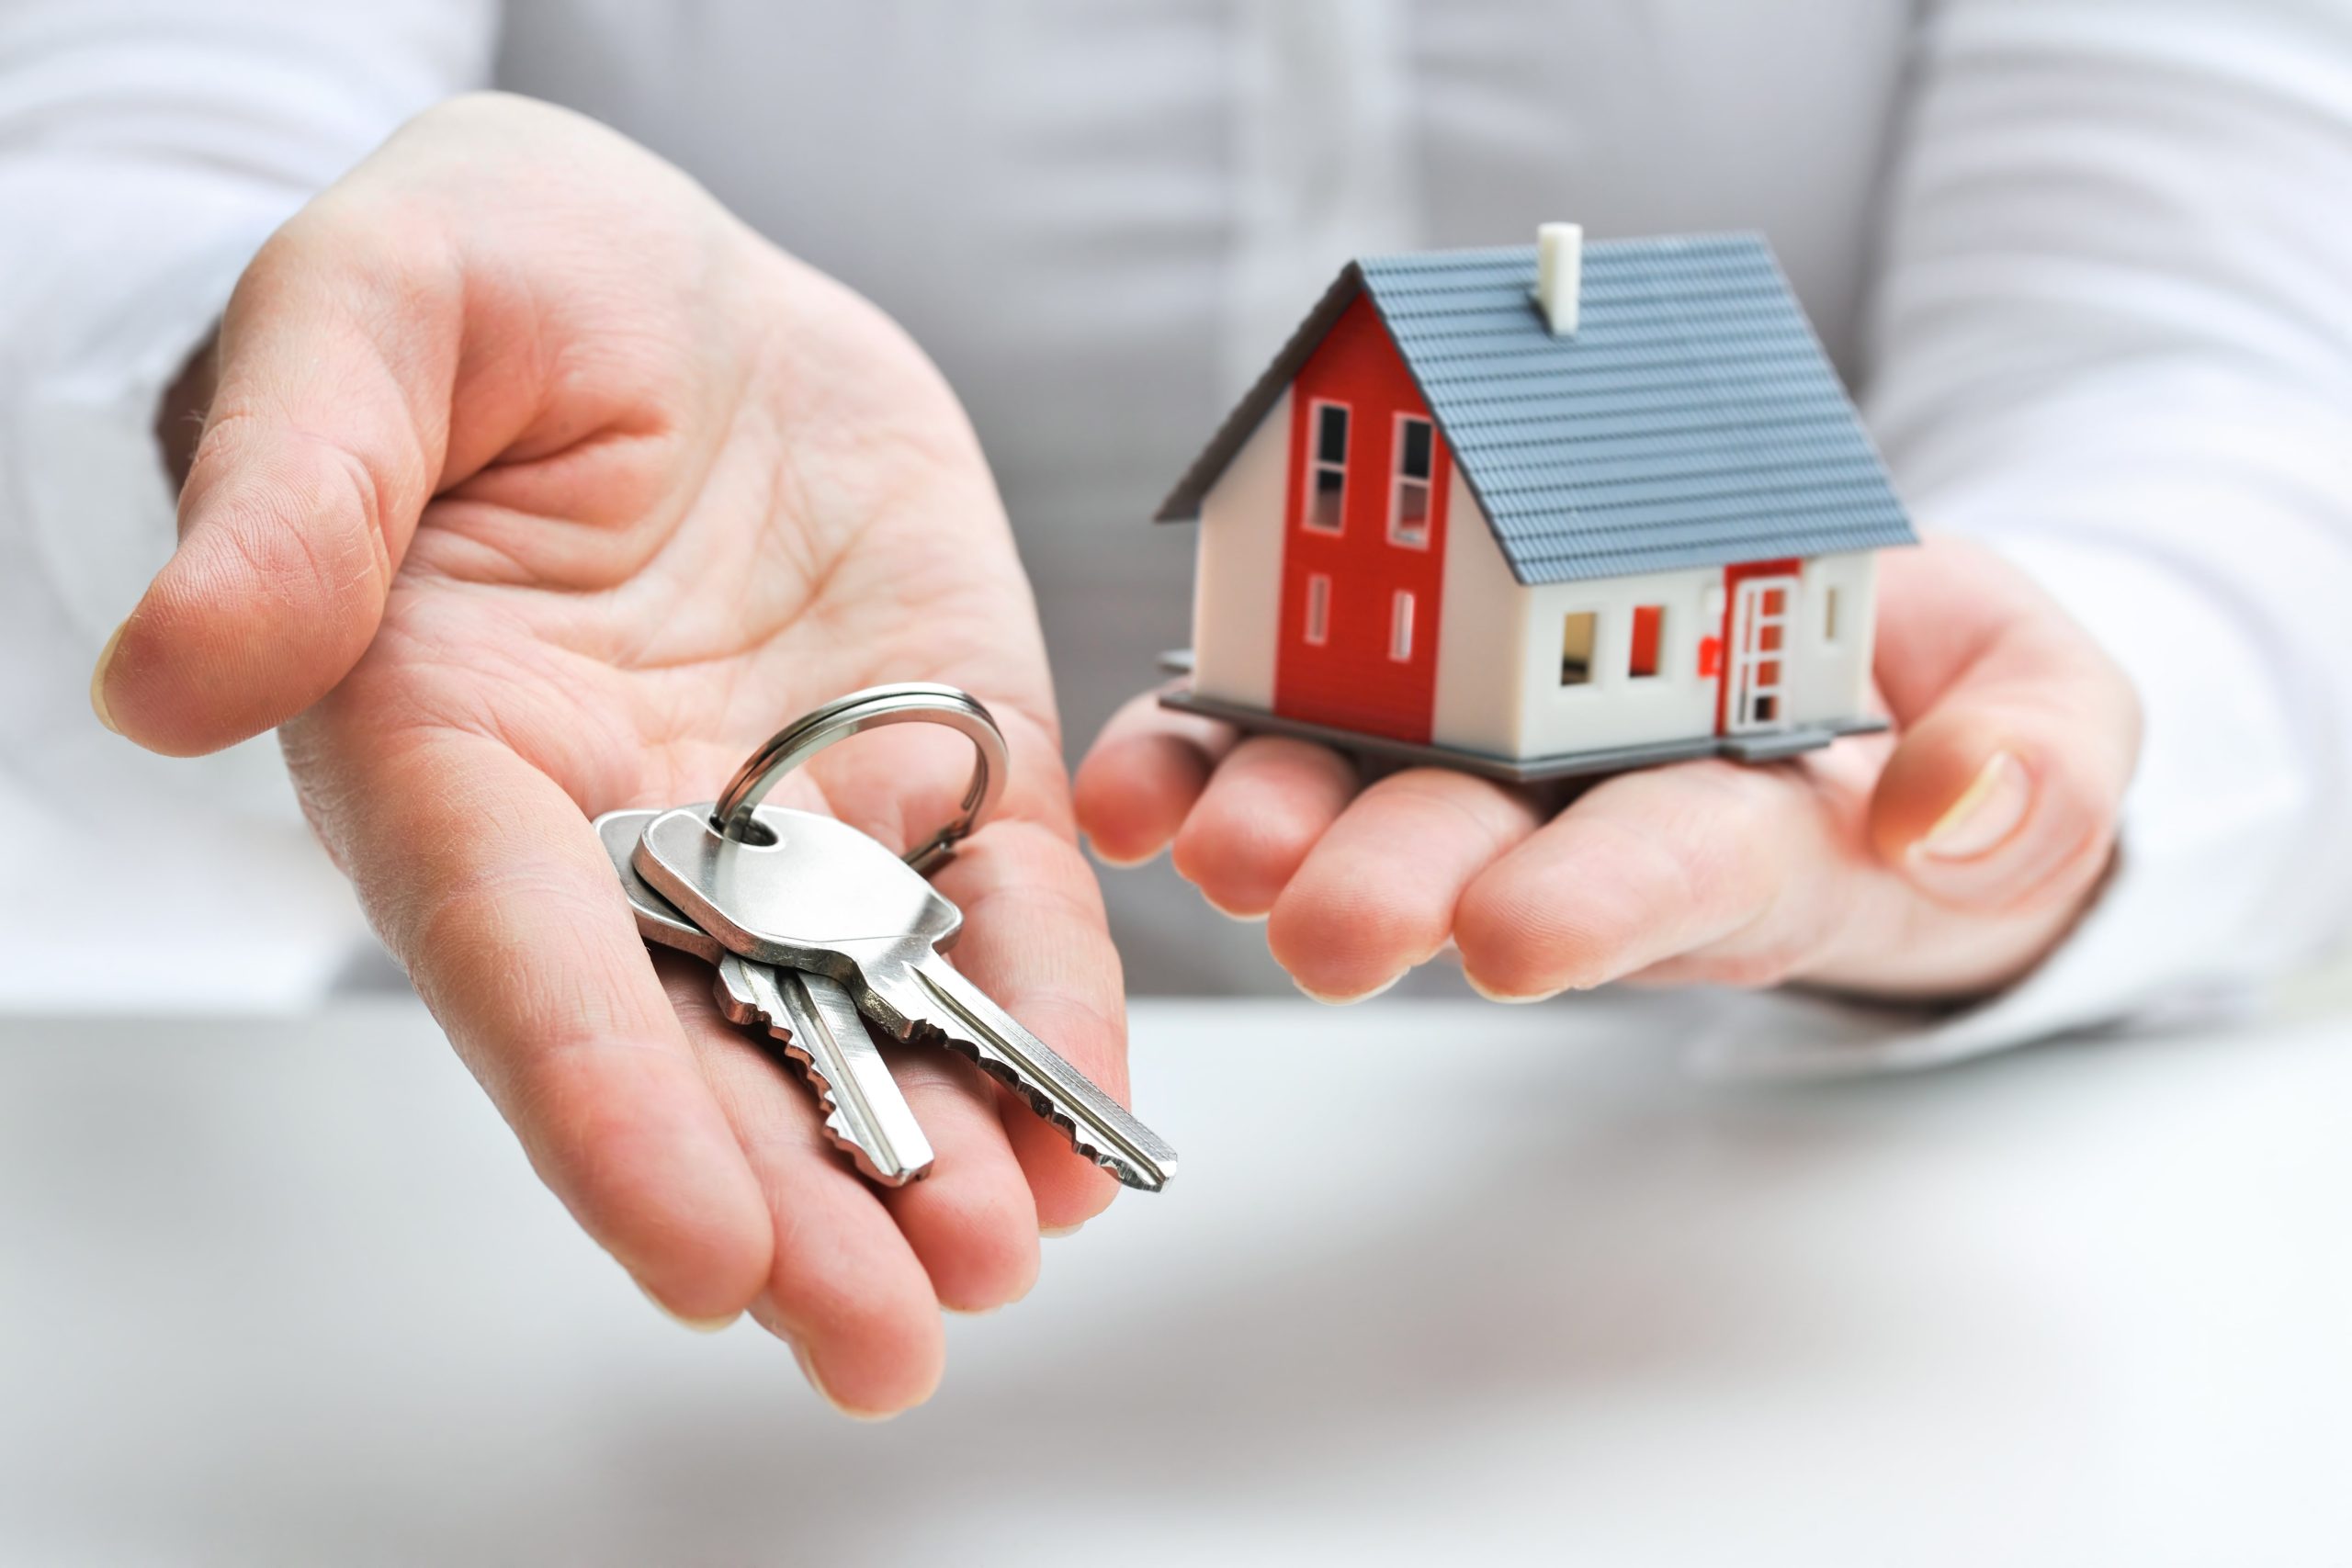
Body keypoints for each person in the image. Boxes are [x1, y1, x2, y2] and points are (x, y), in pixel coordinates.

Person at [4, 2, 2347, 1418]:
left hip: (1807, 1243)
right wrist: (271, 374)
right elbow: (106, 170)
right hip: (434, 1240)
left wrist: (2040, 728)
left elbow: (2222, 372)